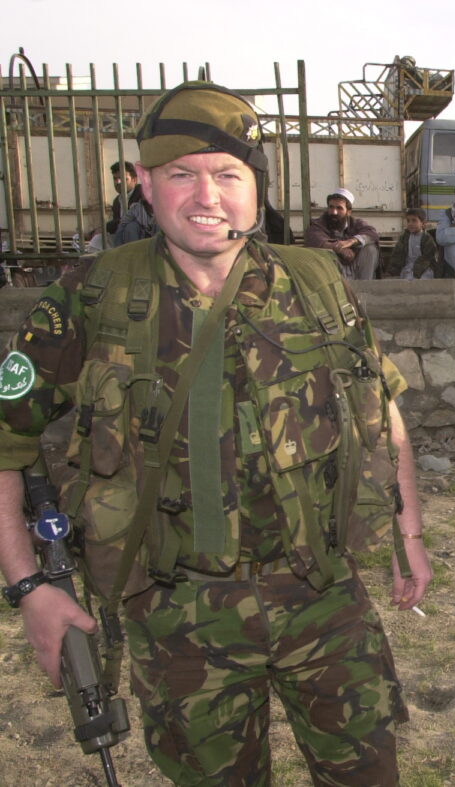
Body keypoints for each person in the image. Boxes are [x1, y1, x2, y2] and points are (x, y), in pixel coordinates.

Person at [0, 81, 432, 785]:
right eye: (181, 174)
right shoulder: (89, 297)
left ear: (256, 184)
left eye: (227, 174)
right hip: (179, 614)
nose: (208, 196)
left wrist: (409, 530)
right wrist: (30, 589)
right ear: (142, 182)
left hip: (323, 596)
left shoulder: (318, 282)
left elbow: (380, 406)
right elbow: (5, 444)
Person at [303, 187, 381, 280]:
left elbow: (372, 233)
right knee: (325, 252)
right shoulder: (319, 224)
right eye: (331, 207)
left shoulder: (356, 223)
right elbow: (315, 238)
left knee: (371, 249)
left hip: (356, 269)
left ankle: (366, 288)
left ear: (348, 212)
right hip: (333, 271)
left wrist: (351, 241)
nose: (334, 212)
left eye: (339, 208)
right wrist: (339, 248)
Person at [386, 207, 439, 279]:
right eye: (408, 221)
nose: (410, 224)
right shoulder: (404, 237)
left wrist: (416, 272)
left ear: (423, 223)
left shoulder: (427, 239)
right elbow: (397, 255)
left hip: (424, 269)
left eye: (414, 221)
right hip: (407, 268)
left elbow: (427, 258)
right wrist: (391, 271)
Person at [106, 161, 144, 236]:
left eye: (123, 179)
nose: (118, 182)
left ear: (134, 180)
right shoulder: (117, 201)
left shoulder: (142, 193)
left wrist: (105, 227)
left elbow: (133, 220)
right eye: (115, 179)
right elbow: (116, 224)